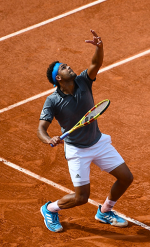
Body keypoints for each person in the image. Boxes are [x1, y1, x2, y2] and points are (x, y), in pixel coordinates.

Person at [37, 29, 133, 232]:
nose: (68, 66)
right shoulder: (52, 101)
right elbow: (41, 128)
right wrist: (48, 139)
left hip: (98, 142)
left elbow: (96, 64)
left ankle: (105, 211)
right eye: (62, 67)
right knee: (81, 197)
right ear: (58, 79)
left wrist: (100, 47)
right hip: (77, 151)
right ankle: (50, 209)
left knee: (126, 177)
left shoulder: (83, 81)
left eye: (66, 64)